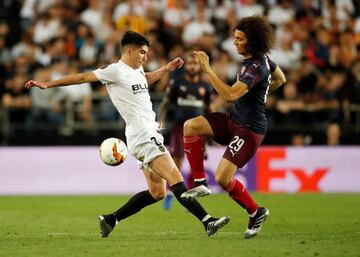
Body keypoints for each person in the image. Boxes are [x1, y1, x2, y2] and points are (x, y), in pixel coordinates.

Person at [25, 31, 230, 238]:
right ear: (129, 51)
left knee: (157, 193)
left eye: (147, 53)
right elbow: (82, 77)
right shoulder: (114, 71)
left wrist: (166, 68)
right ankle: (208, 221)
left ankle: (110, 219)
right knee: (175, 177)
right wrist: (48, 84)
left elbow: (145, 79)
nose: (145, 57)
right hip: (142, 134)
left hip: (146, 133)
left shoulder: (137, 69)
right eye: (142, 52)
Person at [181, 16, 286, 239]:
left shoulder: (256, 67)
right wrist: (262, 94)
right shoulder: (264, 61)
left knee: (223, 178)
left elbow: (229, 94)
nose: (235, 42)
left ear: (252, 42)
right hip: (235, 119)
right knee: (191, 126)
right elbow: (281, 79)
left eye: (240, 39)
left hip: (249, 129)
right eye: (235, 37)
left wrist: (208, 70)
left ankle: (256, 212)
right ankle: (199, 182)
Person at [158, 51, 214, 210]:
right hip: (179, 128)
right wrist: (160, 121)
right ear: (186, 65)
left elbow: (210, 109)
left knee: (195, 164)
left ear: (199, 67)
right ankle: (170, 194)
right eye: (190, 63)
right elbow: (166, 103)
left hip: (199, 129)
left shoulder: (205, 86)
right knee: (177, 161)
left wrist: (212, 132)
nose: (192, 66)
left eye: (195, 64)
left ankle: (190, 197)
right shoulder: (176, 82)